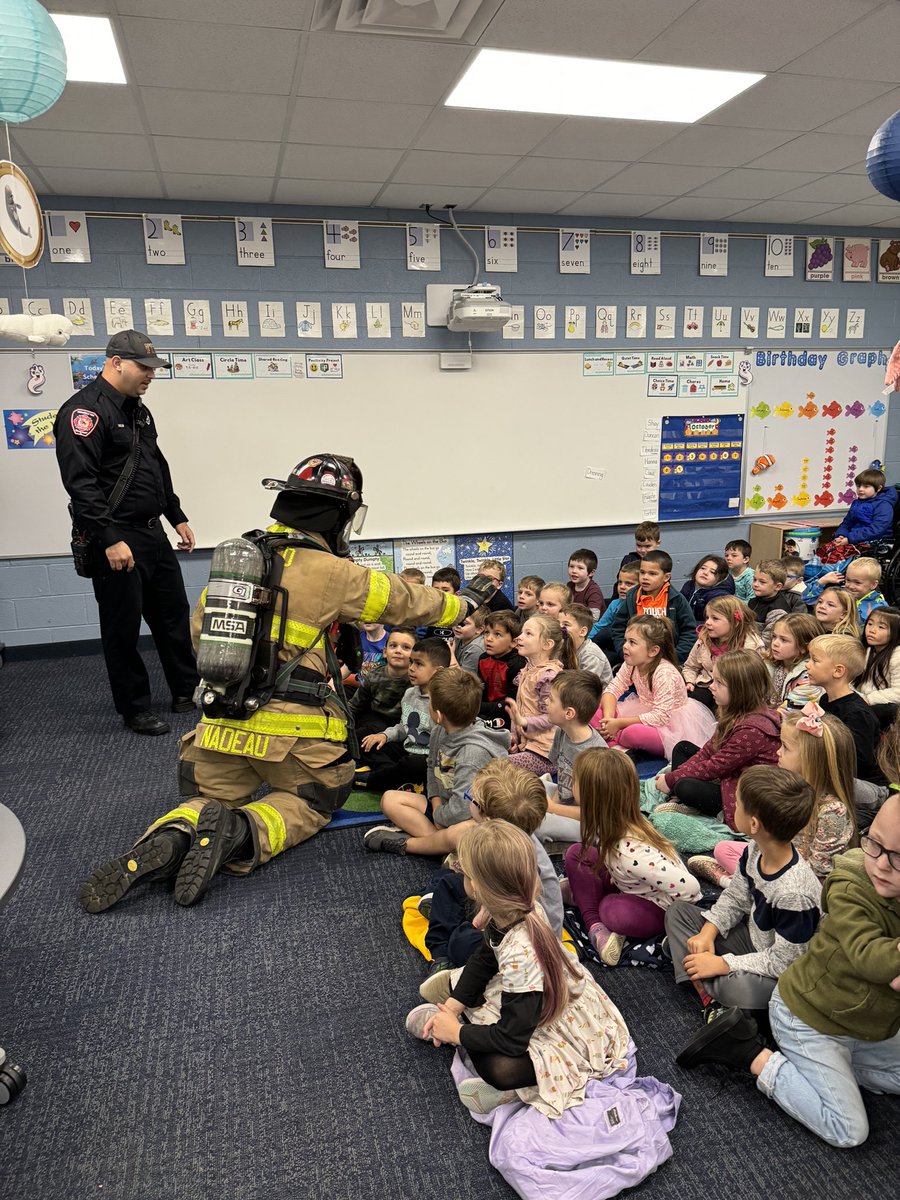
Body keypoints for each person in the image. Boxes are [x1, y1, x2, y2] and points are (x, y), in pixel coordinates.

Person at [80, 454, 496, 912]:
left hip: (218, 728)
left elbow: (198, 634)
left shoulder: (241, 556)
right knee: (315, 802)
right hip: (294, 739)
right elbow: (407, 602)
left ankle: (175, 835)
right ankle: (240, 834)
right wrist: (466, 604)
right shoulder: (333, 572)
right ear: (338, 515)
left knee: (208, 798)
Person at [674, 793, 900, 1150]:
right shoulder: (852, 884)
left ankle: (823, 1069)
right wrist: (712, 940)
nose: (882, 864)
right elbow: (868, 957)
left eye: (898, 857)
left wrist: (722, 958)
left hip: (860, 1020)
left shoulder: (794, 885)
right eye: (874, 843)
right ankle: (748, 1051)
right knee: (849, 1131)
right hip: (806, 1013)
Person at [405, 820, 630, 1118]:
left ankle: (516, 1087)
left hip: (554, 1021)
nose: (460, 878)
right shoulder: (512, 905)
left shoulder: (519, 952)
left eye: (464, 874)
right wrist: (453, 1005)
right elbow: (487, 956)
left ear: (480, 887)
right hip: (536, 999)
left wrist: (457, 1032)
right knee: (476, 986)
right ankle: (453, 1001)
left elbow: (511, 1039)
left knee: (499, 1067)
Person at [53, 330, 198, 735]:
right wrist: (109, 539)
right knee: (123, 627)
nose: (151, 376)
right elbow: (80, 484)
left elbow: (155, 465)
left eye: (154, 369)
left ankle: (186, 690)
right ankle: (135, 708)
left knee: (173, 617)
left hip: (153, 534)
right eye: (144, 368)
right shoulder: (83, 413)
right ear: (116, 362)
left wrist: (176, 514)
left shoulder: (139, 411)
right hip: (115, 536)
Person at [665, 765, 821, 1024]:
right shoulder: (755, 849)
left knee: (734, 986)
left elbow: (785, 964)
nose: (733, 807)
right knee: (678, 912)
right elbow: (736, 896)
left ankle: (706, 984)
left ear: (754, 823)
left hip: (783, 973)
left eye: (737, 804)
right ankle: (711, 999)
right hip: (753, 941)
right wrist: (708, 932)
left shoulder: (795, 893)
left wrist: (724, 964)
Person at [420, 759, 564, 976]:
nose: (469, 800)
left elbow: (512, 912)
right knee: (448, 882)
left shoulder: (511, 858)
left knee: (460, 943)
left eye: (471, 797)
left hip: (522, 935)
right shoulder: (510, 836)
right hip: (498, 901)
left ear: (486, 816)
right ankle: (443, 943)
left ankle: (443, 956)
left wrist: (478, 922)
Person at [691, 706, 858, 887]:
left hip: (799, 882)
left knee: (750, 867)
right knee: (724, 849)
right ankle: (744, 882)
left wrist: (771, 872)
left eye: (785, 747)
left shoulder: (832, 811)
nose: (778, 752)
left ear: (811, 759)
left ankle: (736, 883)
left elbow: (818, 872)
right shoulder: (789, 786)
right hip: (778, 859)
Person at [564, 749, 701, 966]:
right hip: (629, 881)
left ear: (592, 796)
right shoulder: (611, 823)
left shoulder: (630, 852)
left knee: (611, 910)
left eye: (575, 781)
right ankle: (588, 902)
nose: (571, 784)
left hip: (655, 905)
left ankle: (594, 921)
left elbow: (692, 888)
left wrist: (675, 919)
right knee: (576, 853)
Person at [364, 668, 509, 857]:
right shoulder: (439, 731)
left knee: (458, 833)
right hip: (444, 807)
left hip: (476, 816)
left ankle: (411, 844)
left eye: (430, 702)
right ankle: (442, 847)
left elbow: (463, 810)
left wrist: (439, 814)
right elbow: (432, 766)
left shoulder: (471, 754)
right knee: (389, 800)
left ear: (439, 715)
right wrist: (436, 802)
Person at [654, 650, 782, 831]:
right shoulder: (735, 712)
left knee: (685, 786)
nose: (711, 687)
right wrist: (673, 778)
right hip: (732, 773)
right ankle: (679, 796)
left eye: (719, 683)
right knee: (682, 748)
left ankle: (687, 799)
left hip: (743, 792)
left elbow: (715, 766)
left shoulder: (752, 729)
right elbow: (709, 750)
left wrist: (673, 778)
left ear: (740, 690)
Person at [595, 615, 716, 759]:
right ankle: (615, 739)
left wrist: (619, 723)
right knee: (595, 710)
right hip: (643, 710)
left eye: (632, 642)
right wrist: (609, 719)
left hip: (669, 724)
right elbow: (613, 689)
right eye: (626, 640)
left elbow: (661, 716)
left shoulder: (664, 673)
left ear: (653, 651)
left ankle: (613, 739)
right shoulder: (631, 663)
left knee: (632, 733)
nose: (625, 646)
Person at [357, 637, 450, 792]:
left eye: (419, 664)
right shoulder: (410, 693)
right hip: (406, 749)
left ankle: (372, 780)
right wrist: (384, 736)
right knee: (366, 737)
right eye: (412, 662)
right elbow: (404, 727)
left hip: (427, 760)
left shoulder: (444, 701)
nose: (411, 668)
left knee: (415, 764)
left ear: (438, 671)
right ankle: (393, 775)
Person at [535, 670, 606, 846]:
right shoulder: (563, 731)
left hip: (591, 822)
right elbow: (561, 779)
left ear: (569, 714)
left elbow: (592, 813)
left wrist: (552, 809)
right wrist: (552, 805)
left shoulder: (594, 755)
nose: (545, 702)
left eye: (551, 700)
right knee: (527, 788)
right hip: (567, 801)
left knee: (537, 826)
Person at [806, 633, 885, 793]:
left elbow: (860, 762)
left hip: (862, 786)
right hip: (833, 775)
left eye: (815, 660)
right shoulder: (825, 700)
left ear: (838, 671)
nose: (807, 665)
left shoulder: (857, 713)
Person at [505, 614, 576, 774]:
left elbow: (551, 718)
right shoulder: (529, 669)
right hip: (530, 744)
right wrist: (514, 736)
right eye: (522, 632)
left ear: (547, 644)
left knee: (499, 765)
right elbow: (521, 709)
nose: (519, 637)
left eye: (528, 634)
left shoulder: (548, 677)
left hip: (547, 754)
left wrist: (523, 722)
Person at [605, 551, 697, 665]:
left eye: (652, 574)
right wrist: (624, 652)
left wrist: (675, 656)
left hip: (667, 661)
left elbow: (689, 632)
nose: (645, 577)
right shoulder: (632, 598)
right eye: (642, 572)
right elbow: (618, 627)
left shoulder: (677, 599)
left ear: (666, 577)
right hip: (636, 659)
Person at [349, 626, 418, 779]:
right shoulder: (374, 676)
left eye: (406, 647)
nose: (398, 651)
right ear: (385, 652)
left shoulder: (416, 682)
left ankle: (383, 770)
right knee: (358, 734)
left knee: (367, 738)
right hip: (375, 721)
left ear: (415, 655)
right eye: (393, 646)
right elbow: (355, 705)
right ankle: (385, 768)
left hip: (402, 729)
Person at [682, 595, 763, 711]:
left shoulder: (752, 646)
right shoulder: (703, 640)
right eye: (707, 617)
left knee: (722, 709)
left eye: (715, 619)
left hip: (734, 691)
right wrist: (690, 681)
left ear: (735, 622)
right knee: (691, 705)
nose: (708, 622)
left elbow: (753, 680)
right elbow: (691, 666)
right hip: (705, 684)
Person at [826, 467, 897, 556]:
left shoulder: (884, 505)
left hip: (876, 541)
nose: (860, 489)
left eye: (866, 486)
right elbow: (847, 523)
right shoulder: (856, 503)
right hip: (854, 538)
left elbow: (877, 529)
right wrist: (841, 535)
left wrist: (850, 539)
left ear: (878, 489)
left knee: (838, 557)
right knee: (825, 552)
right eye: (858, 486)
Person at [476, 610, 524, 730]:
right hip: (484, 710)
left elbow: (511, 702)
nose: (489, 639)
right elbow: (480, 690)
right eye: (487, 633)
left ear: (513, 642)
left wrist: (479, 707)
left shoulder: (517, 664)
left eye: (497, 634)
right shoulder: (483, 659)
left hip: (507, 715)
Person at [764, 612, 823, 709]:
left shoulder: (809, 678)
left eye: (783, 640)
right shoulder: (770, 664)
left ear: (804, 647)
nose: (775, 643)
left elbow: (790, 712)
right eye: (774, 636)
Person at [859, 605, 900, 724]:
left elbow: (898, 692)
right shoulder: (868, 650)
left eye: (881, 627)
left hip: (885, 708)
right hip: (865, 700)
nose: (872, 630)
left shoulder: (897, 656)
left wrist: (869, 699)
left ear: (896, 633)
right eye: (870, 624)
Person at [748, 559, 806, 640]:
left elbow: (768, 641)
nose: (755, 584)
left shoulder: (777, 611)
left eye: (762, 582)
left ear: (778, 586)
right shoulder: (754, 601)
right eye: (754, 580)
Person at [558, 602, 612, 687]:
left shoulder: (591, 654)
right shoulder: (562, 646)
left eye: (566, 624)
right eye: (558, 623)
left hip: (594, 696)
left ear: (582, 631)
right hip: (570, 689)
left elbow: (586, 687)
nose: (560, 628)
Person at [591, 562, 639, 645]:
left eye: (628, 584)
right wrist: (584, 641)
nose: (622, 587)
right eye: (620, 582)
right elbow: (599, 626)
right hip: (616, 643)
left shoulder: (642, 606)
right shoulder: (615, 604)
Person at [680, 554, 735, 623]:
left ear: (720, 579)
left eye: (712, 572)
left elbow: (714, 623)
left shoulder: (718, 597)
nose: (705, 573)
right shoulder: (688, 585)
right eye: (703, 568)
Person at [566, 548, 605, 620]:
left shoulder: (593, 591)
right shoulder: (569, 586)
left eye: (580, 568)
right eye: (571, 566)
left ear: (591, 573)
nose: (574, 571)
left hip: (593, 627)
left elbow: (594, 618)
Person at [451, 606, 487, 674]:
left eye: (464, 623)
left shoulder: (476, 649)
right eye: (457, 620)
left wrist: (451, 654)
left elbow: (464, 681)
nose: (458, 625)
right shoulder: (459, 637)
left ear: (479, 629)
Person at [724, 538, 755, 604]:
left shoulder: (751, 577)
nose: (728, 558)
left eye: (734, 555)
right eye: (726, 555)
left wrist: (733, 603)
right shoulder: (727, 572)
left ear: (745, 559)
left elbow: (752, 602)